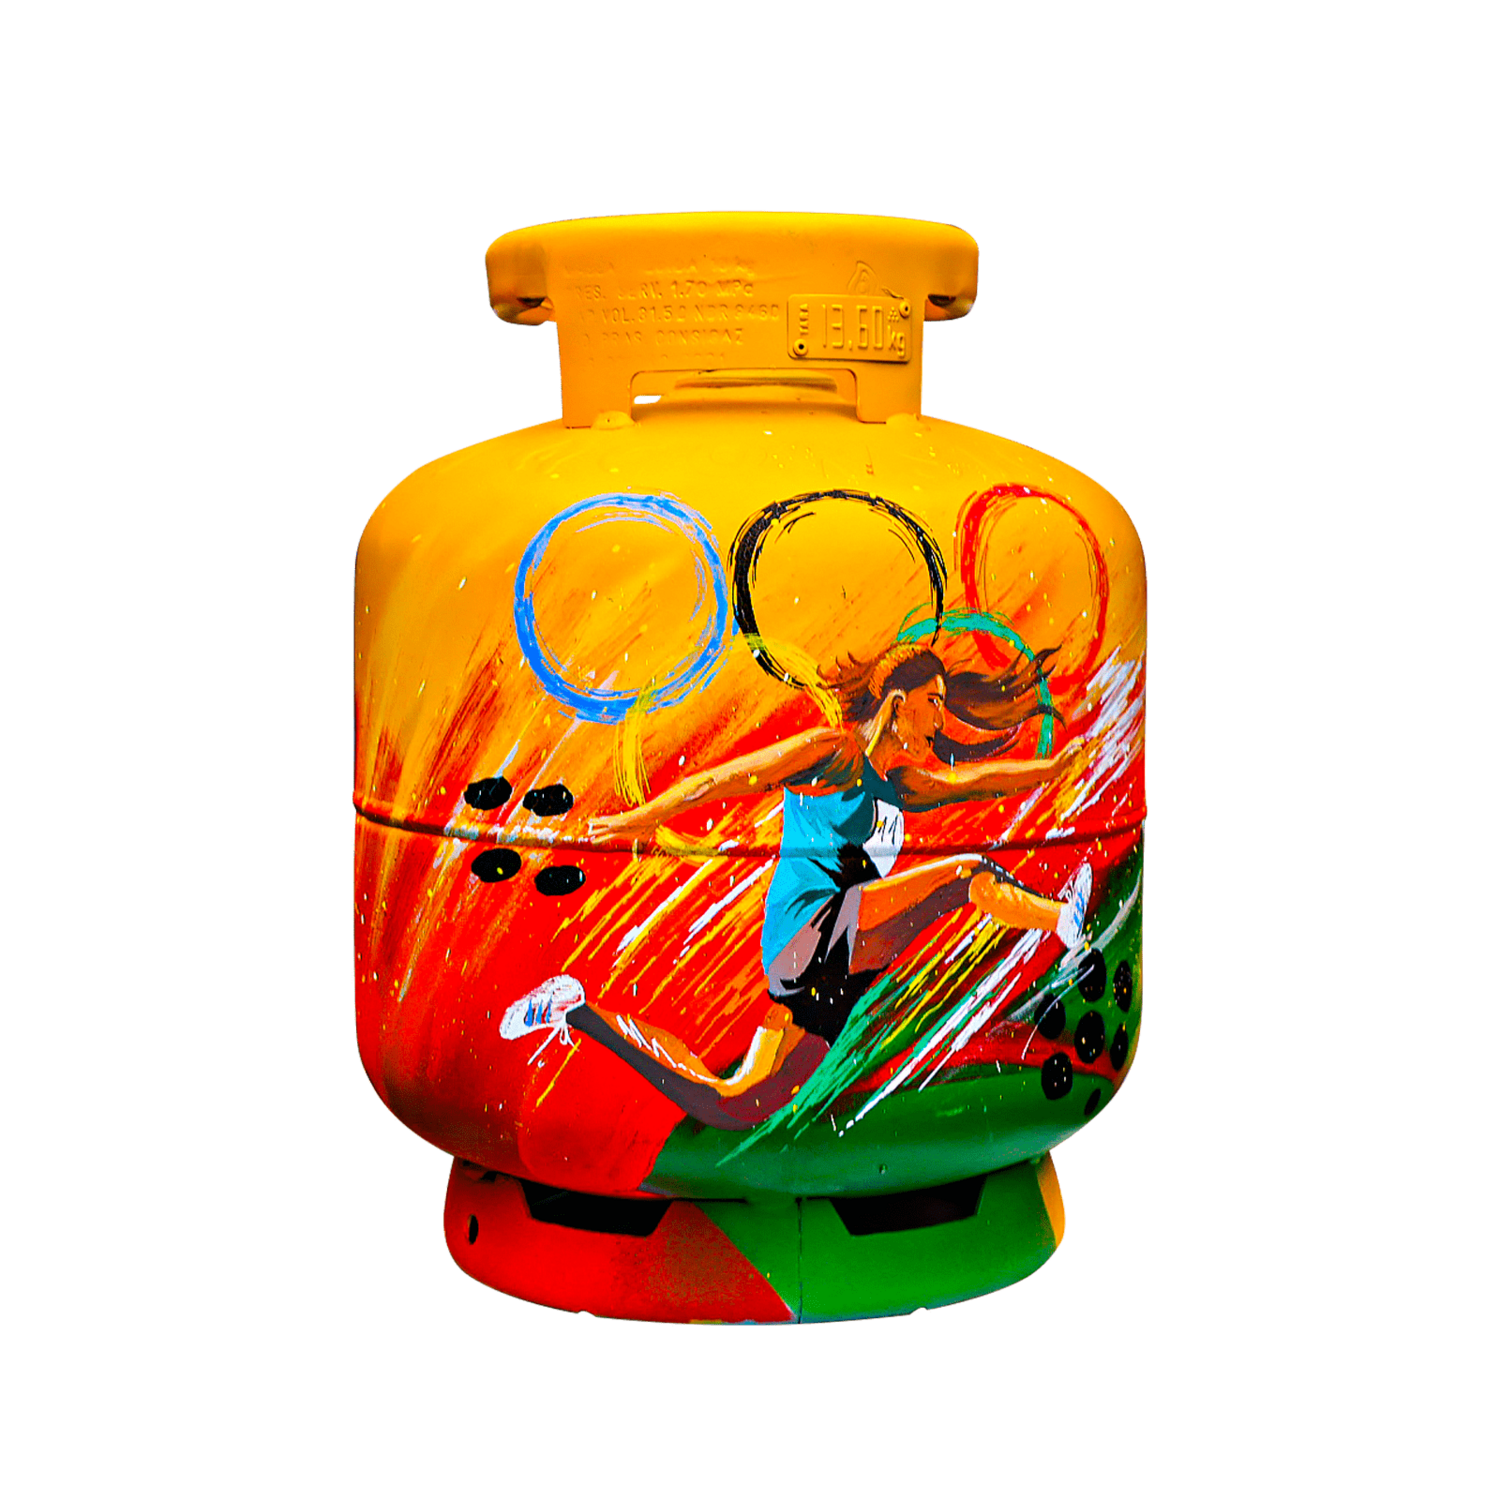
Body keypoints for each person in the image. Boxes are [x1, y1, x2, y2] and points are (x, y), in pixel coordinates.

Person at [506, 641, 1090, 1130]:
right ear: (897, 702)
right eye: (933, 702)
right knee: (963, 875)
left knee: (736, 1103)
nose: (941, 721)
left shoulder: (903, 785)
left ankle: (575, 1009)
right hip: (808, 935)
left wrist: (1052, 769)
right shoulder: (836, 754)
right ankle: (1063, 918)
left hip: (833, 967)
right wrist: (644, 818)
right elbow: (732, 778)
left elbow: (980, 782)